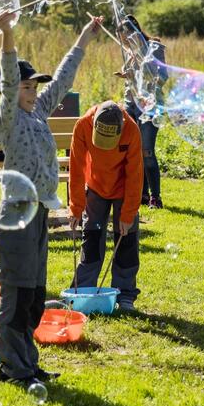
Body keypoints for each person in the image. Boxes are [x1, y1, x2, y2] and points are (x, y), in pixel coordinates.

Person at [0, 11, 103, 387]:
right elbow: (8, 80)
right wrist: (6, 33)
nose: (34, 91)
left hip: (38, 212)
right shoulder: (7, 117)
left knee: (35, 294)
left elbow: (63, 79)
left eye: (35, 86)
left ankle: (27, 363)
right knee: (17, 294)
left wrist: (84, 37)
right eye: (27, 87)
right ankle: (13, 367)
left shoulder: (36, 112)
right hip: (16, 212)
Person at [68, 100, 144, 311]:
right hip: (95, 186)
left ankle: (125, 294)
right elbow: (76, 167)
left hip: (124, 189)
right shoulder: (83, 125)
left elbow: (135, 175)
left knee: (126, 239)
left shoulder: (132, 130)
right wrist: (75, 207)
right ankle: (83, 291)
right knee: (91, 237)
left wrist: (128, 214)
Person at [115, 14, 165, 209]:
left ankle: (156, 197)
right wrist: (127, 74)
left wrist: (140, 68)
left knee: (147, 151)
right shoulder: (127, 52)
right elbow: (132, 84)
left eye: (126, 37)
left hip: (150, 107)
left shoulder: (154, 48)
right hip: (131, 106)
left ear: (135, 33)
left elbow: (162, 77)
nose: (124, 42)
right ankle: (142, 194)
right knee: (134, 152)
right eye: (121, 38)